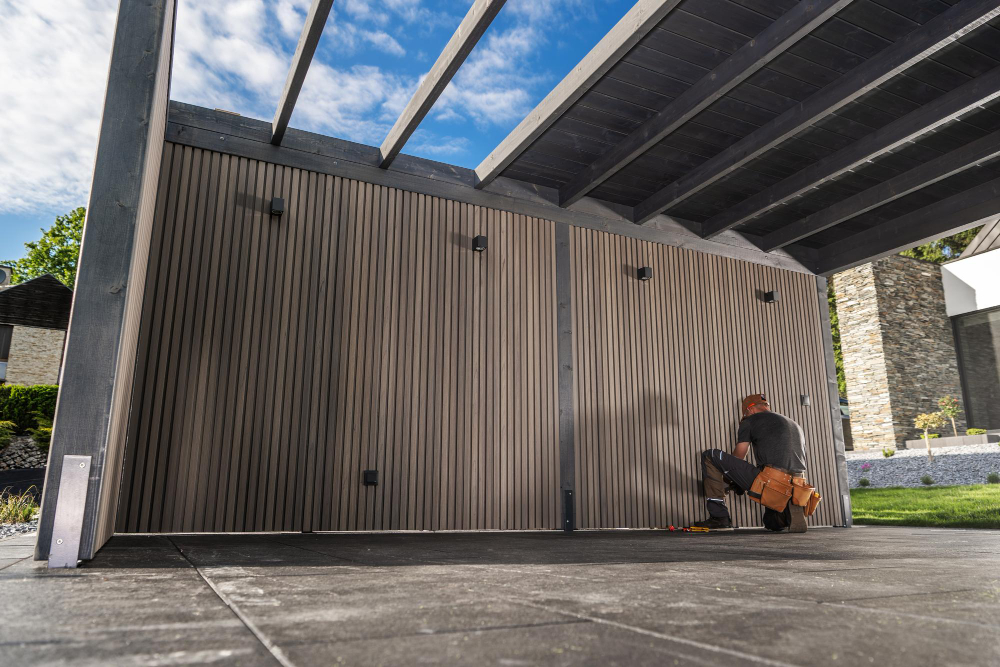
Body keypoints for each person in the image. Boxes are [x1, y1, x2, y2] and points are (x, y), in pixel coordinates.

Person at [693, 393, 808, 533]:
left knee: (710, 455)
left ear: (750, 409)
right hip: (798, 485)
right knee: (772, 523)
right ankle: (785, 511)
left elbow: (739, 456)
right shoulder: (793, 423)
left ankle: (719, 517)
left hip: (772, 481)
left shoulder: (750, 420)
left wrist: (729, 480)